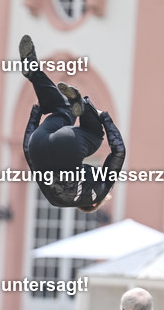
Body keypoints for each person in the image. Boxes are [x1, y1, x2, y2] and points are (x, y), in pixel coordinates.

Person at [19, 35, 126, 212]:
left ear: (93, 204)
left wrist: (104, 118)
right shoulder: (52, 199)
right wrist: (36, 113)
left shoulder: (99, 191)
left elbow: (119, 151)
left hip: (70, 143)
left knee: (95, 136)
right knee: (63, 108)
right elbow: (28, 152)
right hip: (38, 143)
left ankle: (83, 107)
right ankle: (33, 70)